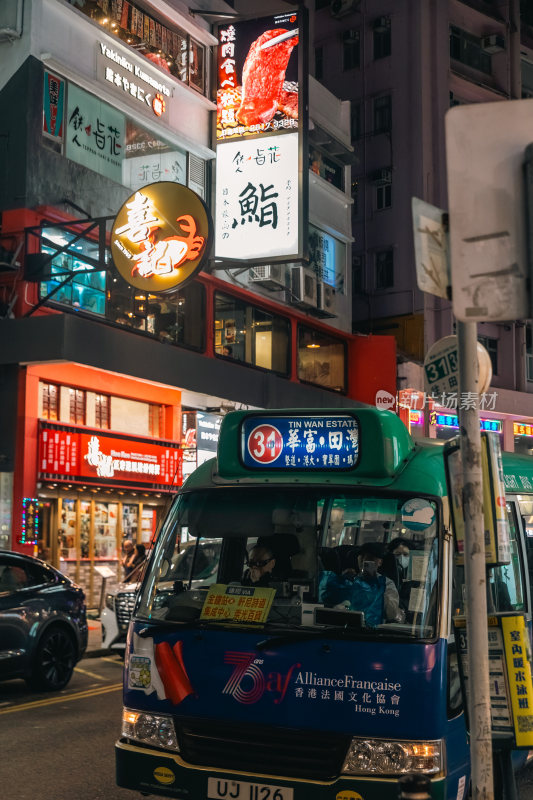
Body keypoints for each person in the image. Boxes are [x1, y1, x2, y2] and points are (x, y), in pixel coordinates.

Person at [319, 542, 403, 627]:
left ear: (380, 562)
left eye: (370, 558)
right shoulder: (350, 579)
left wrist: (374, 586)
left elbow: (391, 613)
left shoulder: (386, 583)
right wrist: (343, 582)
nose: (364, 561)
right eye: (361, 556)